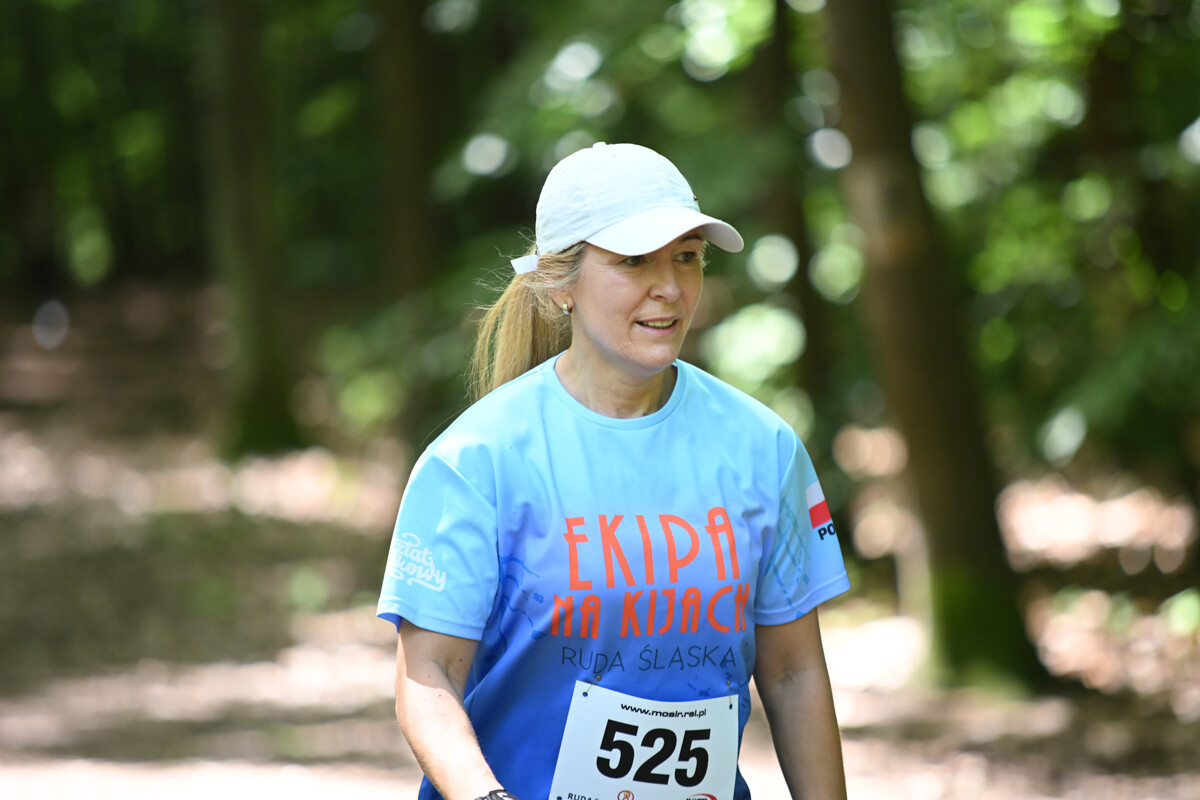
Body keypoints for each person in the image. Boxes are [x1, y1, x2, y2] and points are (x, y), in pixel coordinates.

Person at [377, 142, 850, 800]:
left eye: (687, 257)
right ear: (558, 282)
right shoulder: (475, 462)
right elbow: (427, 676)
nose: (671, 286)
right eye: (634, 260)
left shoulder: (763, 449)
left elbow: (794, 671)